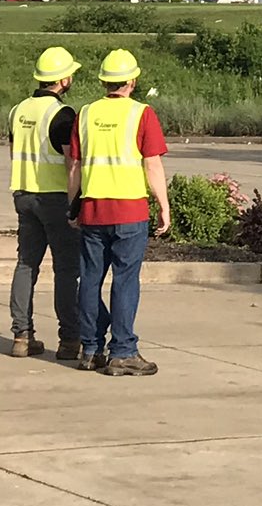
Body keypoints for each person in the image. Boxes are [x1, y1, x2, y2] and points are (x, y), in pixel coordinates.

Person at [66, 48, 171, 375]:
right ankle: (123, 351)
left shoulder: (85, 114)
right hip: (129, 211)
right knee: (125, 281)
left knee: (90, 280)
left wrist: (73, 205)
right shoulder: (142, 113)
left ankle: (91, 348)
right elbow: (152, 164)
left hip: (94, 210)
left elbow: (74, 167)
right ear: (133, 81)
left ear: (103, 81)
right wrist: (164, 206)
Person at [9, 46, 86, 360]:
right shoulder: (62, 115)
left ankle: (21, 336)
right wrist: (74, 205)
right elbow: (71, 163)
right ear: (64, 79)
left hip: (23, 195)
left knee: (27, 264)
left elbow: (13, 152)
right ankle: (69, 340)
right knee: (66, 270)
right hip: (54, 198)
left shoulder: (18, 110)